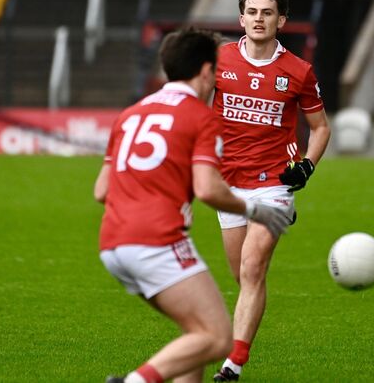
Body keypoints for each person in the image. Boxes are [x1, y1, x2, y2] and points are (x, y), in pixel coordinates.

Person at [94, 27, 291, 383]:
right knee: (217, 338)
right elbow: (208, 189)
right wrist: (257, 211)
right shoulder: (201, 117)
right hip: (157, 240)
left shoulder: (131, 114)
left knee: (197, 333)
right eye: (216, 69)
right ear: (205, 71)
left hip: (112, 244)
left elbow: (101, 190)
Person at [212, 0, 331, 381]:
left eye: (267, 13)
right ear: (241, 19)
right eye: (252, 12)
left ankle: (233, 364)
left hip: (274, 182)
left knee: (252, 267)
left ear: (281, 21)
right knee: (243, 277)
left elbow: (320, 128)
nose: (258, 19)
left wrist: (307, 166)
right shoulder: (219, 60)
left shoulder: (298, 71)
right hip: (228, 183)